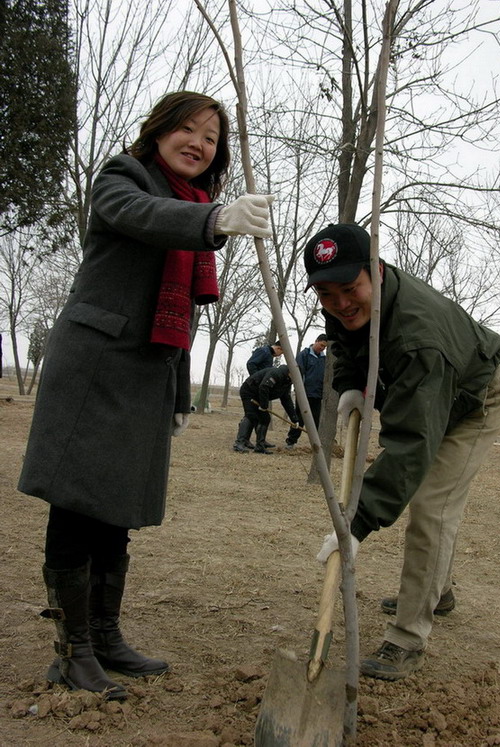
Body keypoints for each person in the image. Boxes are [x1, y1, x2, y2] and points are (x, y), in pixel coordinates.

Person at [18, 91, 274, 700]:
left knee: (116, 506)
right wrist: (214, 221)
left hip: (146, 373)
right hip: (94, 365)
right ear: (158, 132)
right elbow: (137, 214)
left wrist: (180, 392)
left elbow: (181, 315)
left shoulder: (194, 203)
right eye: (186, 130)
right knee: (77, 503)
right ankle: (71, 651)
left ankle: (104, 636)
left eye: (211, 138)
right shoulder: (121, 177)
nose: (198, 144)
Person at [308, 223, 500, 681]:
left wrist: (355, 524)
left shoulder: (419, 338)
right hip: (436, 388)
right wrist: (349, 386)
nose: (339, 303)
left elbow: (409, 444)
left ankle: (407, 637)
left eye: (348, 288)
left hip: (473, 400)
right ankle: (438, 591)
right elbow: (347, 341)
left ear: (375, 272)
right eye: (325, 293)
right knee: (429, 505)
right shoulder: (349, 302)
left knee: (432, 508)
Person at [233, 365, 298, 454]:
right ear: (291, 372)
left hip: (259, 396)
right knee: (251, 415)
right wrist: (264, 405)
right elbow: (264, 387)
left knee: (265, 418)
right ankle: (239, 443)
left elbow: (286, 400)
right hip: (249, 392)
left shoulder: (287, 382)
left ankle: (260, 445)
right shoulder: (276, 374)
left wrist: (294, 418)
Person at [285, 334, 328, 448]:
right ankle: (291, 442)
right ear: (316, 341)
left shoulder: (324, 359)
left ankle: (317, 445)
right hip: (304, 393)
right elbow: (298, 373)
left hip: (317, 394)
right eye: (321, 345)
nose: (322, 348)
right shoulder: (304, 355)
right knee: (299, 418)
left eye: (324, 347)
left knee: (316, 420)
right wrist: (299, 390)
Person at [241, 341, 284, 449]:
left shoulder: (268, 355)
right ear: (278, 348)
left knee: (261, 416)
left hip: (259, 390)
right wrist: (256, 379)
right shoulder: (263, 351)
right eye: (281, 352)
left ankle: (261, 441)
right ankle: (242, 441)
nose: (280, 355)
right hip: (254, 388)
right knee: (251, 415)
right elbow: (251, 363)